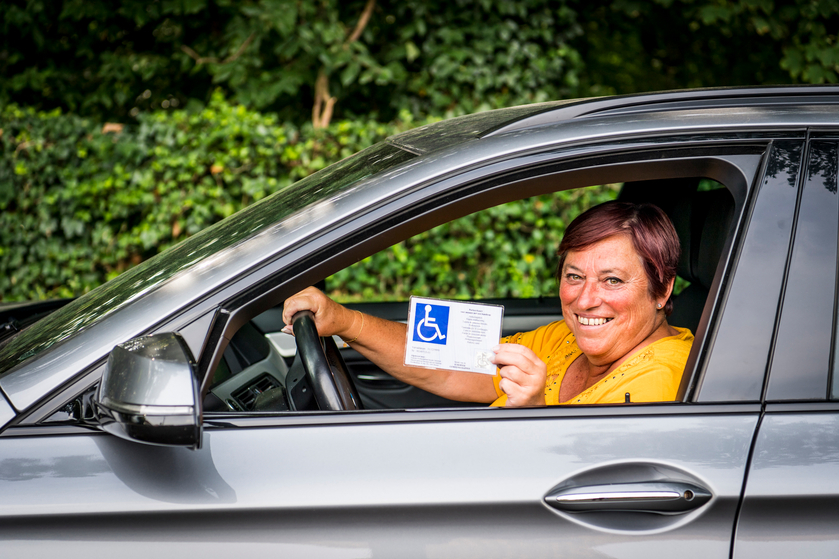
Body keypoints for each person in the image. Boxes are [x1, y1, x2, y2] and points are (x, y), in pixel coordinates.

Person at [282, 201, 694, 407]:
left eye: (613, 280)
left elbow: (586, 496)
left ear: (662, 291)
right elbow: (446, 366)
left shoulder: (662, 380)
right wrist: (343, 320)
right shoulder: (564, 340)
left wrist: (531, 415)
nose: (586, 299)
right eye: (574, 275)